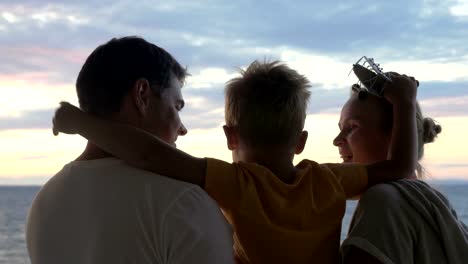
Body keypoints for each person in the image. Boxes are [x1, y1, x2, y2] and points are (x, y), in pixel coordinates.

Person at [52, 61, 419, 264]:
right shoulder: (329, 181)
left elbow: (151, 154)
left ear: (230, 136)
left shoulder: (235, 183)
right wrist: (403, 101)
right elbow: (400, 166)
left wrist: (84, 123)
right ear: (301, 142)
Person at [26, 36, 234, 264]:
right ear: (142, 95)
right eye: (176, 107)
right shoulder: (182, 202)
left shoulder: (45, 202)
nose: (182, 129)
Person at [334, 84, 468, 263]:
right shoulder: (440, 210)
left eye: (352, 127)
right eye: (341, 128)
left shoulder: (383, 201)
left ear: (395, 135)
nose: (336, 140)